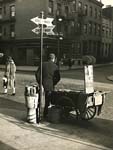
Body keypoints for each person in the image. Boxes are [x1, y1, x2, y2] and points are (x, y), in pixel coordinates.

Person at [35, 53, 60, 118]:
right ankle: (46, 114)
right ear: (53, 59)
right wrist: (53, 83)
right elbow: (58, 78)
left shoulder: (42, 64)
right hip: (50, 85)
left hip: (42, 84)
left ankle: (38, 113)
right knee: (48, 100)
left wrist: (40, 83)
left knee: (39, 100)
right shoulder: (55, 66)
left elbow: (37, 74)